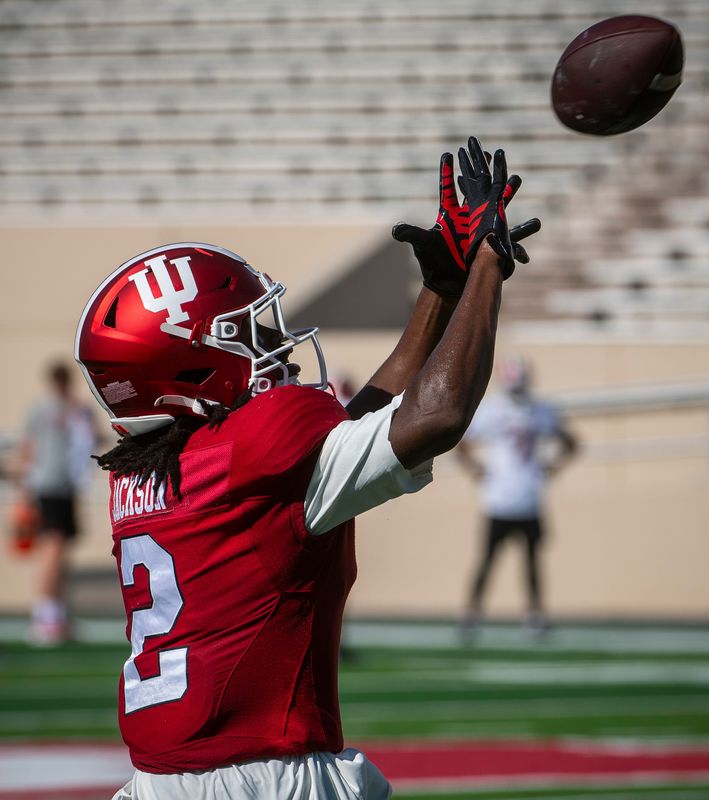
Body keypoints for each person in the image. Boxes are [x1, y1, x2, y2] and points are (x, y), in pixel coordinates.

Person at [74, 136, 540, 800]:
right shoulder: (250, 449)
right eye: (246, 332)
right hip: (267, 777)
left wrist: (438, 293)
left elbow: (358, 433)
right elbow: (434, 417)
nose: (275, 343)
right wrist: (487, 266)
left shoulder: (153, 470)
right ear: (191, 366)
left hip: (157, 784)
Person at [456, 355, 578, 635]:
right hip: (499, 499)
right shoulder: (493, 410)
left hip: (528, 498)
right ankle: (471, 613)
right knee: (488, 560)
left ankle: (533, 614)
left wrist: (552, 467)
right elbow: (462, 443)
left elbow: (571, 442)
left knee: (532, 562)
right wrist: (477, 471)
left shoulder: (542, 410)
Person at [16, 361, 98, 645]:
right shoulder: (42, 409)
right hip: (48, 486)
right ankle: (45, 616)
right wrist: (24, 493)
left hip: (68, 488)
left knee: (62, 550)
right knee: (53, 548)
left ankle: (58, 613)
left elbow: (92, 440)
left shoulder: (79, 410)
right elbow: (28, 448)